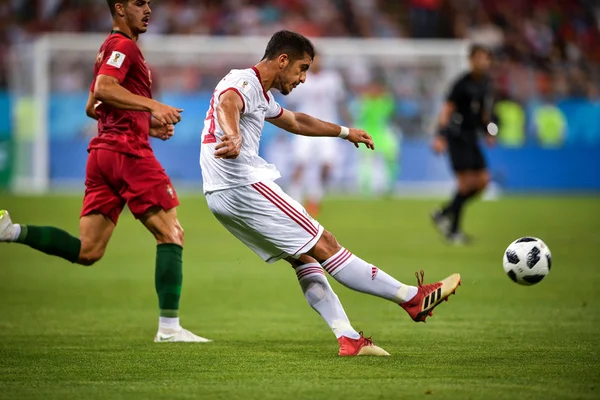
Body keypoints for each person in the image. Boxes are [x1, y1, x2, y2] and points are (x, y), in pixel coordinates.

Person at [199, 30, 461, 356]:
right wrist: (233, 133)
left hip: (219, 195)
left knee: (304, 257)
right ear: (282, 60)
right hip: (243, 184)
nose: (303, 78)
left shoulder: (261, 95)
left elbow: (296, 121)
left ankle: (348, 338)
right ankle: (412, 297)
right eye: (302, 68)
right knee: (327, 245)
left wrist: (345, 132)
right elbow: (228, 103)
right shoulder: (244, 82)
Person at [0, 0, 208, 343]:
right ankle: (170, 329)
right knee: (171, 234)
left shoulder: (107, 49)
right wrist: (153, 106)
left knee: (88, 250)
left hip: (102, 154)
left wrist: (148, 125)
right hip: (127, 152)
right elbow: (104, 91)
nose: (148, 9)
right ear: (120, 8)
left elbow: (91, 106)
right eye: (139, 3)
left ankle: (12, 231)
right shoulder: (123, 46)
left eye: (149, 3)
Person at [431, 44, 496, 244]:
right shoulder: (461, 84)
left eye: (485, 58)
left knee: (483, 181)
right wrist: (440, 135)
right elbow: (447, 110)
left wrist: (489, 130)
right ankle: (454, 231)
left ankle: (444, 212)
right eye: (479, 58)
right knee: (465, 183)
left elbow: (484, 112)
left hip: (472, 137)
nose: (483, 62)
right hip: (457, 136)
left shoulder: (485, 83)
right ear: (471, 60)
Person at [285, 54, 350, 216]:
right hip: (304, 127)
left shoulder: (332, 79)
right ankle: (294, 199)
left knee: (327, 165)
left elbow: (340, 101)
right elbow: (290, 102)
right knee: (300, 163)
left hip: (327, 127)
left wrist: (348, 121)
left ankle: (315, 196)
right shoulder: (299, 79)